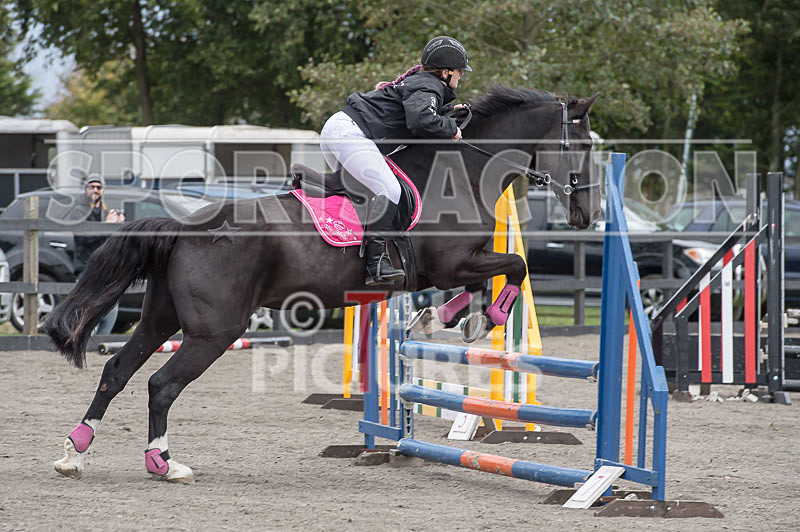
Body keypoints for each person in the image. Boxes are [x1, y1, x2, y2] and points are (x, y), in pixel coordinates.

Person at [320, 36, 471, 286]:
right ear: (445, 72)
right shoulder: (428, 85)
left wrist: (446, 113)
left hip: (340, 130)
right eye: (459, 71)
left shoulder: (423, 84)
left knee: (361, 193)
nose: (461, 75)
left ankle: (343, 248)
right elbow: (420, 121)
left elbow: (414, 116)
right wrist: (450, 128)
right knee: (390, 190)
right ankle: (376, 264)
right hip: (350, 135)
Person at [73, 174, 126, 334]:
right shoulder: (78, 211)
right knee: (86, 309)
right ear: (86, 189)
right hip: (86, 268)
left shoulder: (104, 210)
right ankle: (83, 339)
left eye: (99, 187)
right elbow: (83, 238)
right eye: (92, 187)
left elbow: (112, 241)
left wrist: (118, 226)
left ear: (103, 190)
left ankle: (101, 341)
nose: (95, 190)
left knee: (111, 308)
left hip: (105, 268)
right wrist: (105, 225)